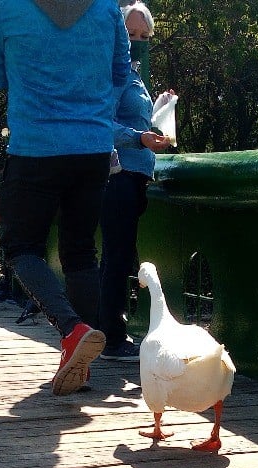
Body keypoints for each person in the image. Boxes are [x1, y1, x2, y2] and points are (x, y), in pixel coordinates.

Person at [0, 0, 130, 394]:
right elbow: (120, 70)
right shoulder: (106, 6)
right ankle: (78, 362)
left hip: (35, 146)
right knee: (80, 252)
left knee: (20, 247)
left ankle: (71, 329)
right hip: (93, 146)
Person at [97, 1, 173, 362]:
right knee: (116, 255)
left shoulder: (135, 76)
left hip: (137, 175)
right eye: (130, 34)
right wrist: (138, 138)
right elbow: (100, 124)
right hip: (118, 174)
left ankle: (107, 330)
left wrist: (159, 109)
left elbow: (138, 123)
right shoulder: (113, 74)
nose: (137, 41)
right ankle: (111, 338)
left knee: (121, 253)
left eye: (144, 35)